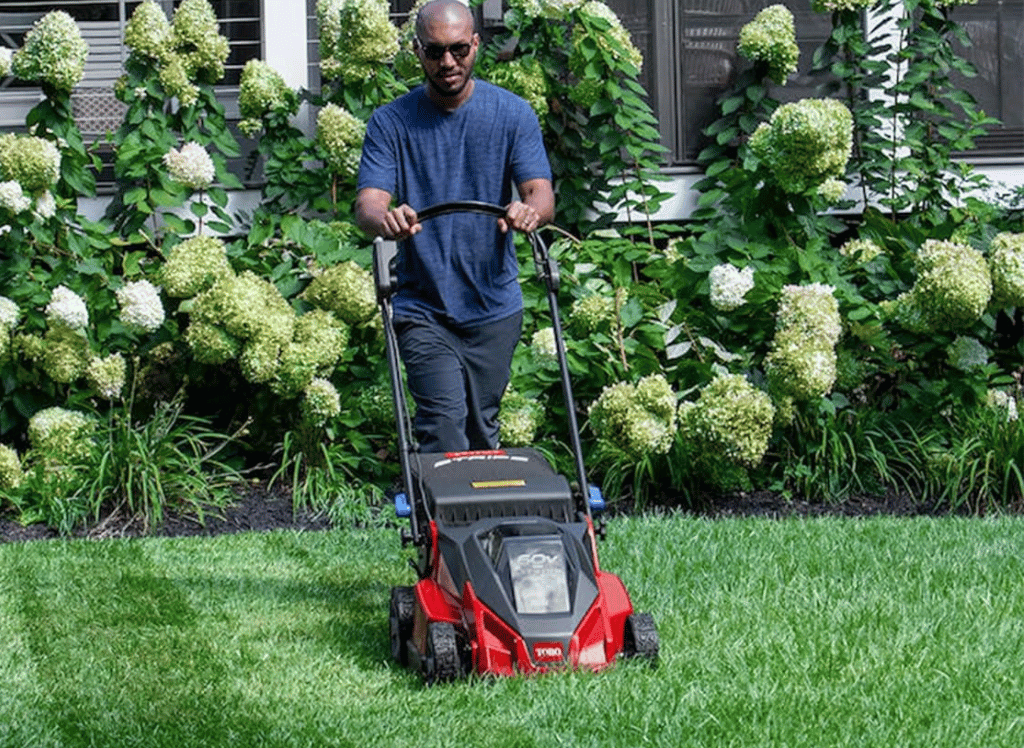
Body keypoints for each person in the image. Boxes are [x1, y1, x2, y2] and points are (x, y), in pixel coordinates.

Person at [355, 0, 555, 453]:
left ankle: (484, 522)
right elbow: (368, 203)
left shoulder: (512, 114)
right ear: (417, 51)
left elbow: (540, 194)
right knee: (443, 426)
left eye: (459, 49)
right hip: (423, 307)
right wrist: (386, 219)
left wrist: (529, 212)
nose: (448, 62)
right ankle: (441, 525)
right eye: (435, 51)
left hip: (494, 305)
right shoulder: (392, 123)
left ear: (476, 45)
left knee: (484, 428)